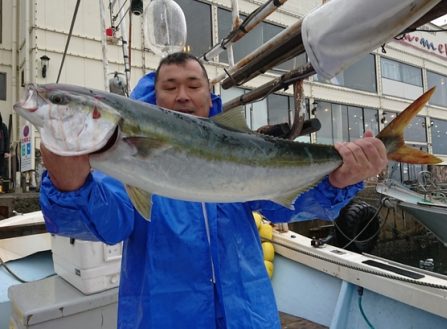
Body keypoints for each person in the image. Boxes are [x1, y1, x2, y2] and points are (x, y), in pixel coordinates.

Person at [39, 52, 387, 329]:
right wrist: (69, 184)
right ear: (154, 97)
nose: (182, 95)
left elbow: (284, 206)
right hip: (164, 318)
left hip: (247, 316)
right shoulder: (120, 159)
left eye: (193, 85)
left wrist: (336, 180)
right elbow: (108, 222)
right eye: (170, 87)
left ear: (209, 94)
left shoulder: (238, 145)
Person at [0, 113, 10, 182]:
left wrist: (7, 151)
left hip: (1, 152)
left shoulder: (3, 126)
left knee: (1, 170)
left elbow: (7, 139)